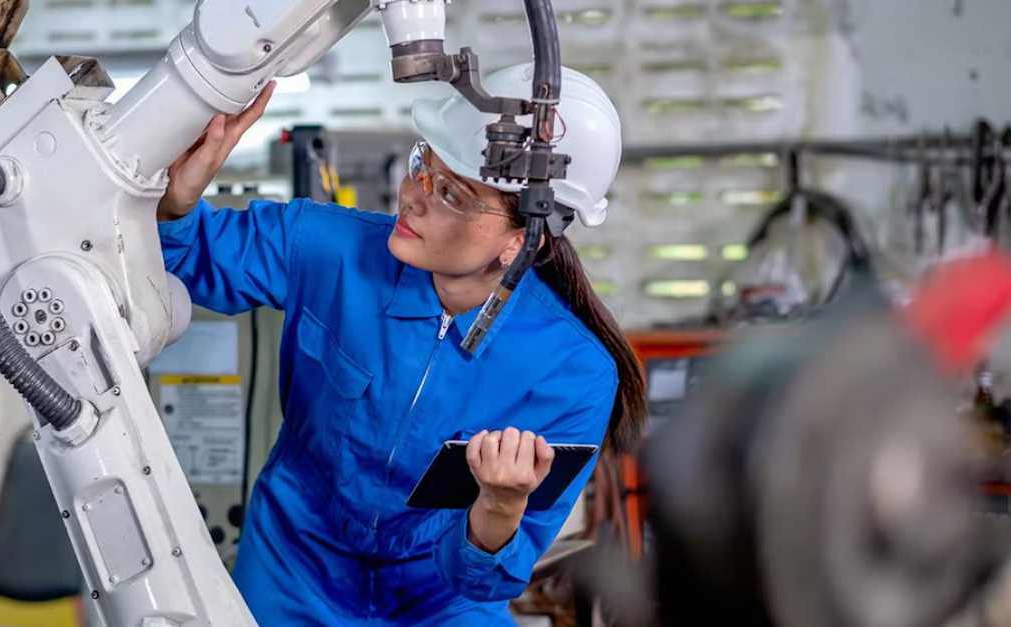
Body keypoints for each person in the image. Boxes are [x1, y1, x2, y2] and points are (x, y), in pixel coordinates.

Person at [157, 63, 646, 624]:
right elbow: (186, 254)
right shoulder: (329, 249)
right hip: (293, 569)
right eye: (422, 165)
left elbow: (486, 579)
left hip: (440, 596)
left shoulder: (574, 373)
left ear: (520, 241)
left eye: (452, 193)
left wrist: (500, 507)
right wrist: (175, 203)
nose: (412, 197)